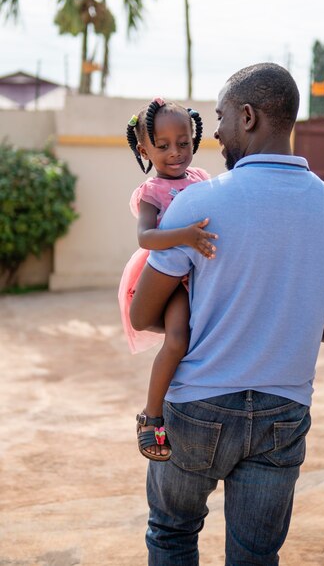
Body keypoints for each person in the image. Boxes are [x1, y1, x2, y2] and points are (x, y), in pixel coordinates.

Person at [130, 63, 324, 565]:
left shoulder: (198, 203)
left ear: (249, 117)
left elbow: (142, 312)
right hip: (284, 411)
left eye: (221, 116)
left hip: (196, 408)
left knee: (172, 535)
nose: (213, 131)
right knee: (256, 555)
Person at [118, 98, 218, 462]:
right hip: (170, 280)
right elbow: (145, 237)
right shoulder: (152, 192)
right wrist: (186, 237)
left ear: (194, 139)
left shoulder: (202, 179)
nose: (175, 153)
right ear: (145, 149)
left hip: (202, 274)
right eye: (162, 146)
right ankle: (151, 415)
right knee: (177, 340)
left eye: (183, 143)